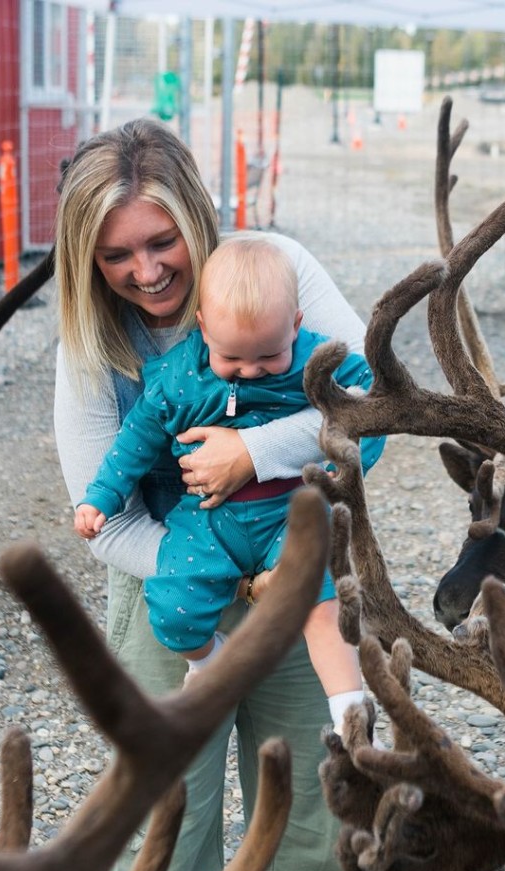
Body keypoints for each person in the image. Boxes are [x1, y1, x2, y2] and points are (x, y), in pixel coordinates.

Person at [53, 117, 374, 871]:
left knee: (301, 809)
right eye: (115, 253)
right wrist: (207, 574)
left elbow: (364, 404)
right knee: (171, 828)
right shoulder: (91, 342)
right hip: (166, 593)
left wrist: (254, 451)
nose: (144, 270)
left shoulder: (280, 271)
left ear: (195, 219)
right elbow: (98, 490)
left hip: (292, 569)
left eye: (160, 243)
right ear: (87, 259)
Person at [73, 234, 384, 738]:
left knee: (321, 603)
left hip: (291, 510)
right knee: (173, 611)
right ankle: (209, 662)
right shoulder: (179, 377)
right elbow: (135, 441)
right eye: (233, 360)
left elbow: (370, 408)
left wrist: (341, 475)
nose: (251, 370)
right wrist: (99, 498)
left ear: (296, 326)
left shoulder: (316, 361)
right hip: (206, 520)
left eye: (268, 356)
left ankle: (350, 710)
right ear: (201, 329)